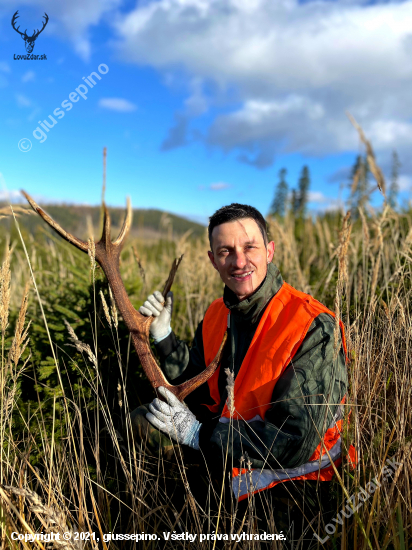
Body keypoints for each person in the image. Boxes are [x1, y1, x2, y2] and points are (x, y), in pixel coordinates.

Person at [132, 203, 354, 547]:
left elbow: (294, 441)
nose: (239, 261)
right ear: (213, 259)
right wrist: (163, 337)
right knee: (142, 423)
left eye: (249, 247)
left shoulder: (312, 325)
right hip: (233, 460)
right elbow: (200, 389)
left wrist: (199, 436)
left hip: (296, 483)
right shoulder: (216, 313)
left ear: (269, 250)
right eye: (226, 251)